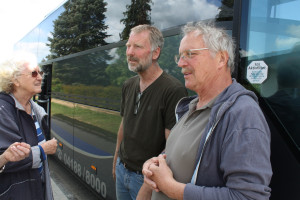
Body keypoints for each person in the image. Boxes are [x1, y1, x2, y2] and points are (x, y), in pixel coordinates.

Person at [138, 22, 272, 200]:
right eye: (179, 56)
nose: (180, 63)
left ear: (221, 59)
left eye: (189, 54)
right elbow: (180, 153)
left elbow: (247, 197)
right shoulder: (191, 106)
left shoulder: (243, 114)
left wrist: (171, 188)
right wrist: (155, 163)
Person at [112, 24, 187, 200]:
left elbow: (172, 147)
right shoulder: (128, 85)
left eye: (137, 47)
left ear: (155, 53)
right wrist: (116, 159)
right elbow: (124, 125)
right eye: (128, 46)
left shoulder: (173, 90)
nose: (130, 52)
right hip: (122, 170)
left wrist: (148, 184)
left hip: (146, 179)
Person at [0, 52, 57, 200]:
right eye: (33, 73)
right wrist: (43, 150)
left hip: (37, 188)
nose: (40, 77)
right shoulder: (3, 110)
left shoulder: (34, 108)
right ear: (15, 80)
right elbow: (8, 159)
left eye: (40, 72)